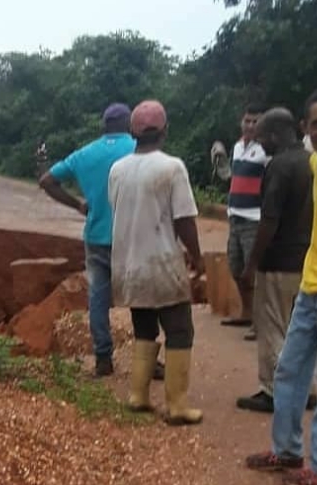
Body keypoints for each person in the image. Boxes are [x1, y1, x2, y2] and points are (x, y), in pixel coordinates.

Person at [246, 86, 317, 485]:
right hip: (311, 285)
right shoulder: (315, 165)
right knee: (289, 370)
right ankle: (287, 450)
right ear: (306, 127)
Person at [108, 100, 205, 424]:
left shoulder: (117, 169)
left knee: (144, 329)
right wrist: (197, 256)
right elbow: (184, 219)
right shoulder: (172, 167)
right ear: (165, 130)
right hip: (161, 263)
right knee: (180, 330)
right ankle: (177, 405)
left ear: (132, 132)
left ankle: (138, 395)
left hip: (128, 265)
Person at [40, 104, 136, 377]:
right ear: (129, 124)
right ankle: (147, 359)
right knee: (140, 298)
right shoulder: (138, 150)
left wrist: (78, 204)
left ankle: (103, 358)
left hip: (96, 237)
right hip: (132, 236)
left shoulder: (85, 154)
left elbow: (47, 181)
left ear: (103, 126)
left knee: (98, 298)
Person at [236, 108, 315, 413]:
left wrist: (251, 264)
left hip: (278, 260)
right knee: (300, 330)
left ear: (273, 135)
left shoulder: (279, 166)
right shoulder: (312, 161)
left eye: (261, 139)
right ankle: (307, 388)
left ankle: (274, 390)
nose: (260, 145)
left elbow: (269, 220)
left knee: (272, 328)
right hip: (307, 259)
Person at [223, 104, 269, 340]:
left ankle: (260, 321)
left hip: (254, 216)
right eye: (247, 121)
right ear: (241, 122)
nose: (250, 125)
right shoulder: (237, 146)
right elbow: (234, 177)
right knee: (236, 266)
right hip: (235, 214)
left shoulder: (265, 150)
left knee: (254, 272)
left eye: (255, 121)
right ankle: (247, 312)